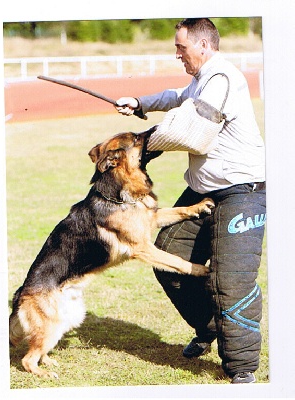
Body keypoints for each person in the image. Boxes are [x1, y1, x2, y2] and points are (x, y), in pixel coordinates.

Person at [115, 18, 266, 384]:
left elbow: (191, 130)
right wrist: (140, 103)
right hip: (204, 190)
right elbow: (176, 98)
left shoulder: (223, 78)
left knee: (230, 280)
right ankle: (210, 326)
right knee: (168, 255)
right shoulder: (203, 79)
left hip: (241, 191)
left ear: (203, 45)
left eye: (181, 48)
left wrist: (142, 144)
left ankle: (241, 369)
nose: (177, 54)